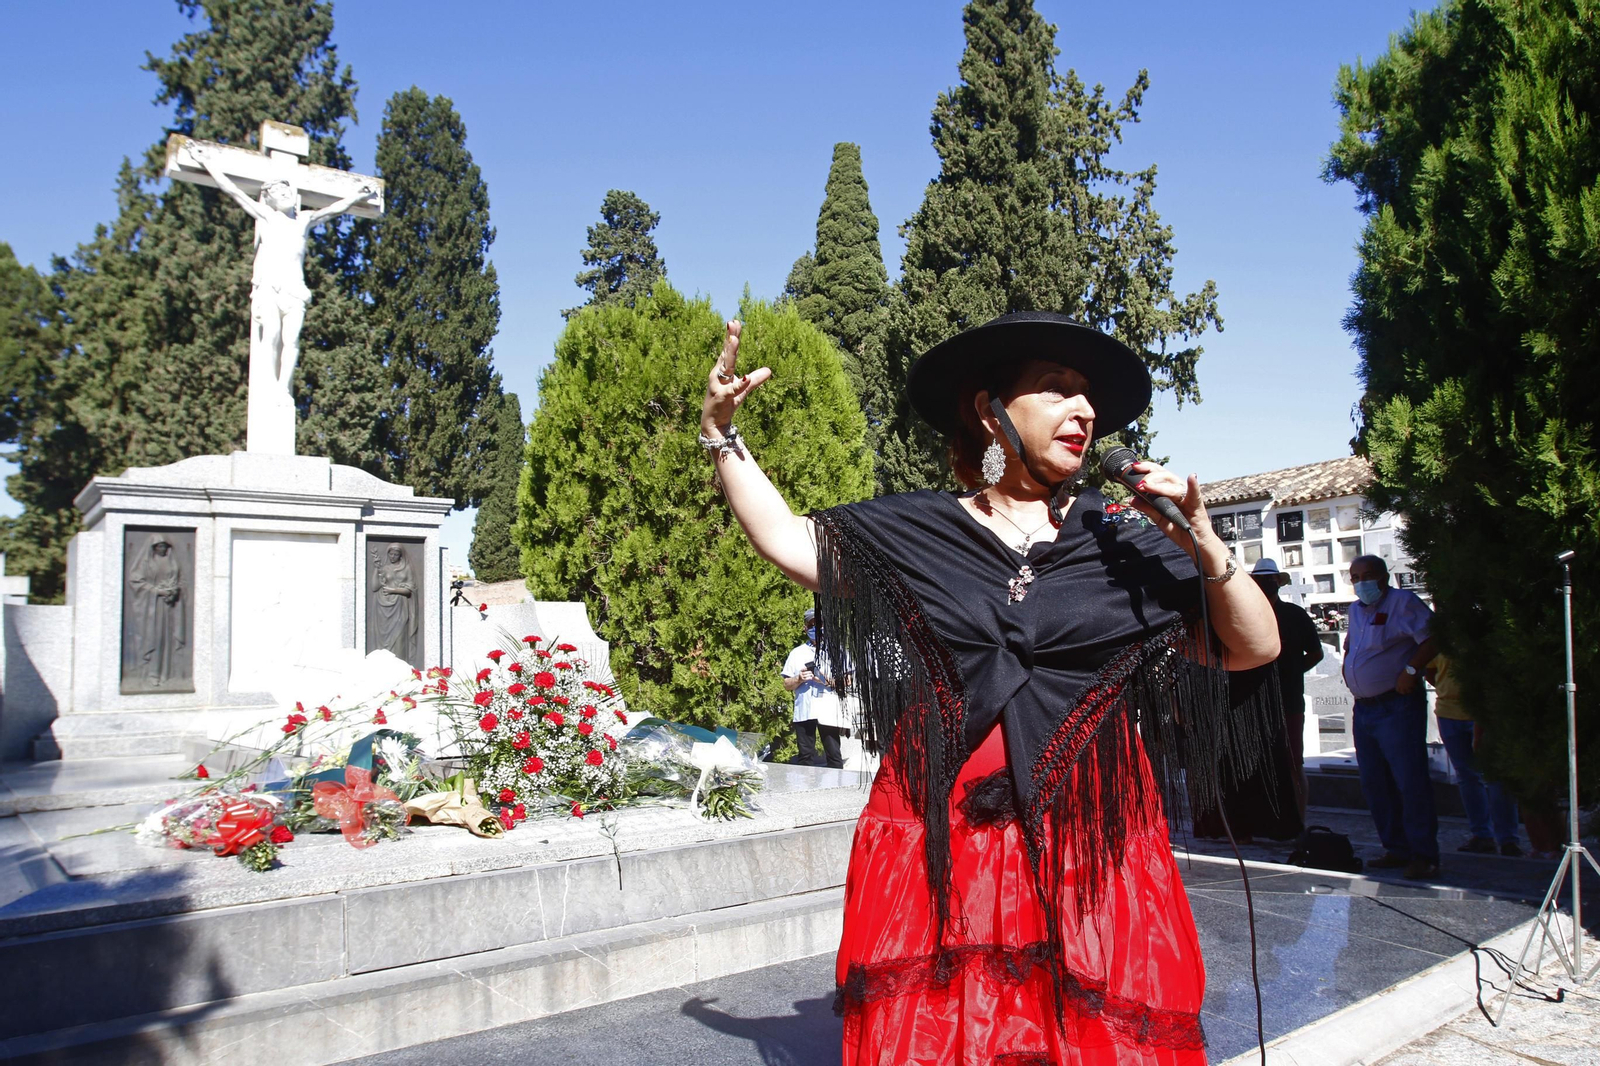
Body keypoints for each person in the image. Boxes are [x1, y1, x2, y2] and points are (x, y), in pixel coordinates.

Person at [699, 311, 1279, 1065]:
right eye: (1057, 389)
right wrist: (722, 436)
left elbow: (1253, 647)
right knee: (954, 1033)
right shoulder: (923, 530)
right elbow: (787, 540)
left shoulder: (1126, 541)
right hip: (943, 832)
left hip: (1089, 842)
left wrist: (1201, 540)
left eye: (1088, 397)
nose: (1085, 410)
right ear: (991, 412)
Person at [1192, 557, 1322, 842]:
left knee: (1291, 762)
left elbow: (1315, 653)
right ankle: (1248, 823)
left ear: (1278, 582)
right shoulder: (1240, 613)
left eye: (1270, 580)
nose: (1265, 584)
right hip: (1245, 700)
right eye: (1259, 580)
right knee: (1245, 762)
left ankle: (1297, 822)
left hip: (1285, 701)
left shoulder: (1294, 615)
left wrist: (1290, 673)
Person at [1344, 554, 1439, 880]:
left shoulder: (1403, 602)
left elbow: (1432, 638)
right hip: (1364, 707)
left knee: (1409, 780)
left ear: (1383, 577)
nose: (1361, 583)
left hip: (1396, 705)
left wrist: (1411, 670)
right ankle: (1395, 848)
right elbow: (1352, 648)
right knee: (1375, 782)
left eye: (1367, 576)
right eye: (1355, 577)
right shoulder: (1354, 610)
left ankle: (1424, 854)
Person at [1428, 652, 1521, 856]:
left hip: (1484, 713)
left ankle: (1508, 839)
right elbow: (1429, 668)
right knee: (1467, 776)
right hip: (1448, 713)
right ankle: (1482, 835)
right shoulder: (1441, 637)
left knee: (1496, 776)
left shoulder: (1479, 636)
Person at [783, 607, 848, 769]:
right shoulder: (796, 653)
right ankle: (806, 791)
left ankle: (837, 790)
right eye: (812, 625)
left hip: (828, 710)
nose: (816, 629)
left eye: (820, 624)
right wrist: (798, 678)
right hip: (804, 711)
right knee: (805, 756)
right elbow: (786, 685)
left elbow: (848, 680)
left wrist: (828, 681)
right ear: (805, 628)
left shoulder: (837, 651)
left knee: (834, 754)